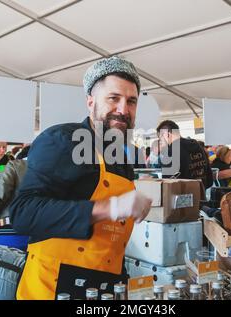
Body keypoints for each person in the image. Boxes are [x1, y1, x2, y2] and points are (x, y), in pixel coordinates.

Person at [9, 56, 152, 300]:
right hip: (52, 289)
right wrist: (111, 207)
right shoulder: (62, 139)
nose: (123, 110)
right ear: (90, 102)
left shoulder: (122, 158)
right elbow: (23, 212)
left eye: (131, 101)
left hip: (104, 289)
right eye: (113, 98)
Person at [157, 120, 213, 190]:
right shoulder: (197, 145)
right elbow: (210, 180)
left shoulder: (170, 152)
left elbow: (168, 185)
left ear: (167, 134)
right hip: (202, 195)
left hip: (182, 197)